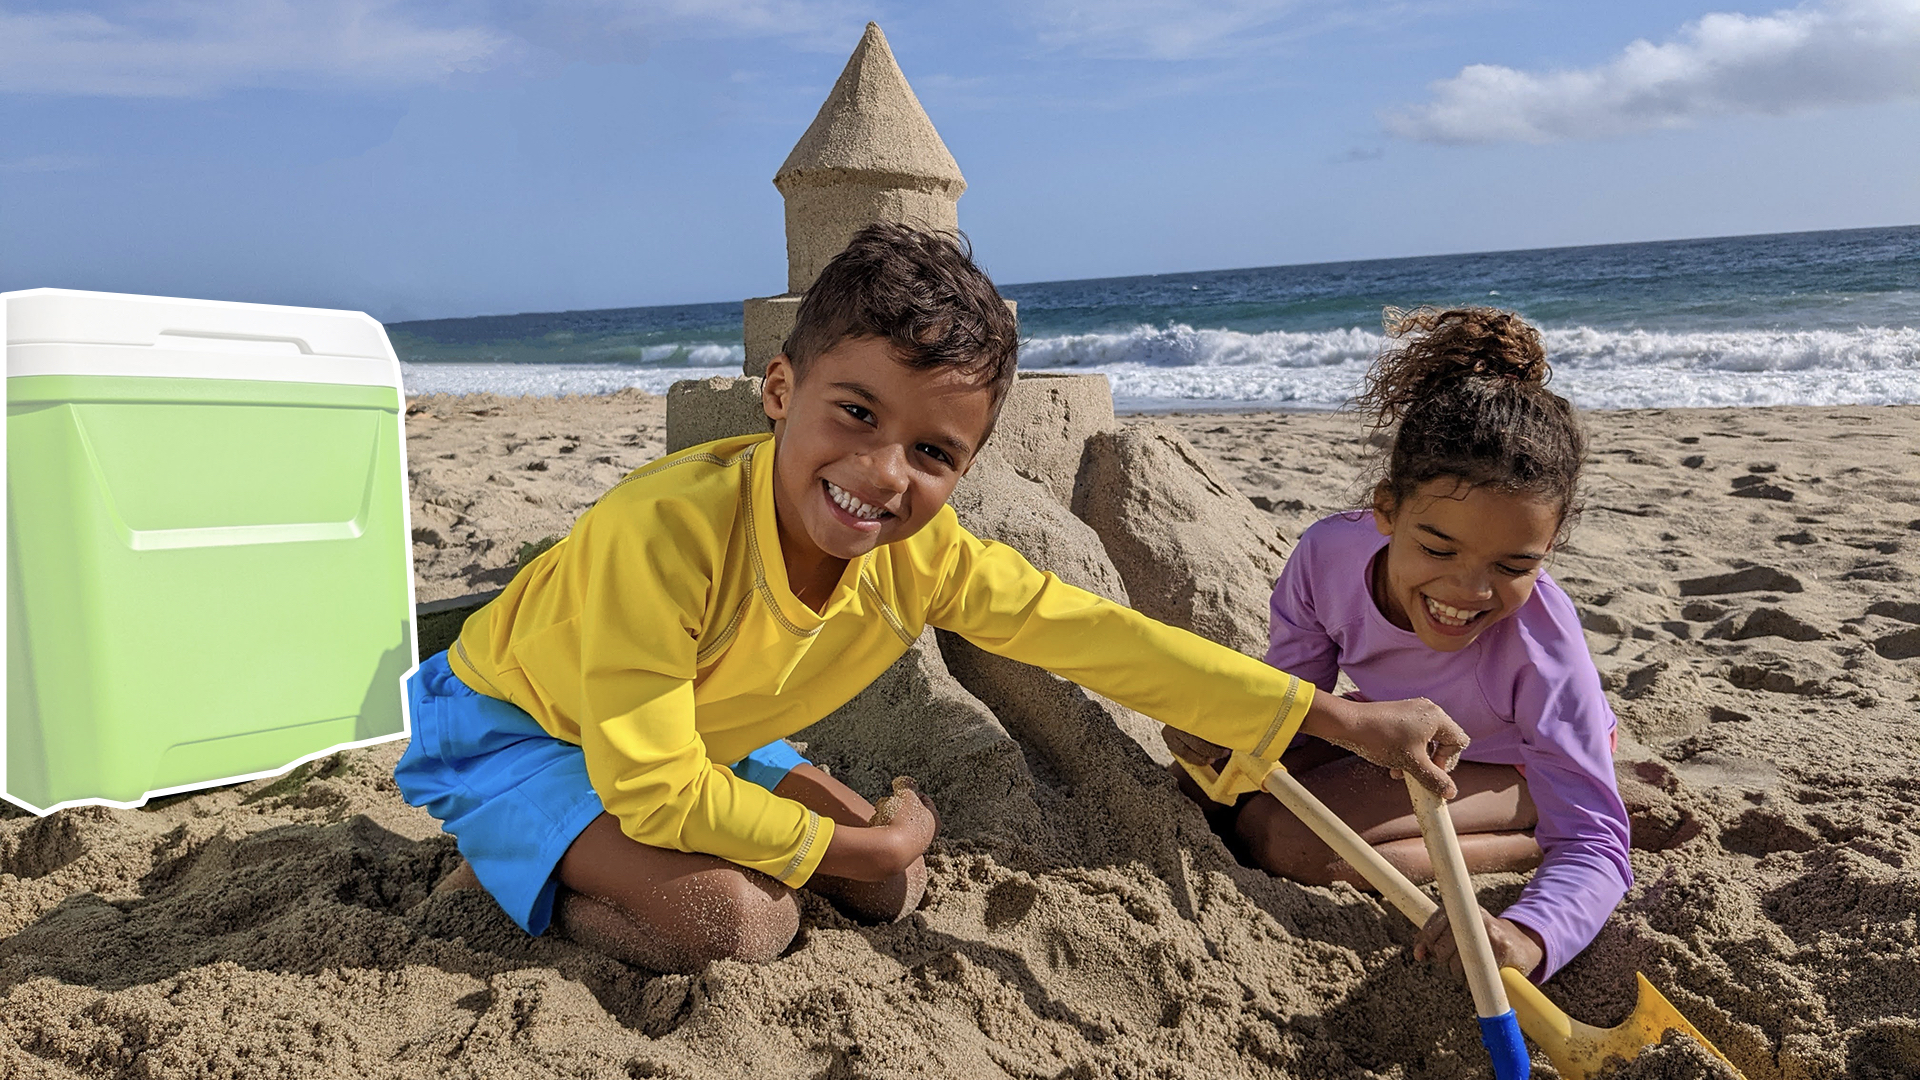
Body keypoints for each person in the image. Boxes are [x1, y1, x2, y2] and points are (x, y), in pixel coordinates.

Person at [396, 224, 1470, 973]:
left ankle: (643, 847)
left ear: (967, 467)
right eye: (854, 413)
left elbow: (1104, 640)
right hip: (522, 729)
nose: (882, 471)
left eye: (932, 451)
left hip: (689, 741)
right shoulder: (666, 536)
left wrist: (1341, 720)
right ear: (781, 393)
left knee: (887, 894)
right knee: (734, 922)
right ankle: (505, 868)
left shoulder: (927, 555)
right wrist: (848, 845)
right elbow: (653, 787)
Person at [1167, 306, 1631, 984]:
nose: (1468, 591)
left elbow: (1593, 841)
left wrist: (1529, 934)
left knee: (1287, 842)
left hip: (1521, 764)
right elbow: (1294, 698)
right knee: (1200, 788)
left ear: (1548, 549)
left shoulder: (1541, 644)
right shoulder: (1328, 557)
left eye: (1513, 566)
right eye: (1437, 547)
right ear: (1388, 509)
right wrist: (1228, 729)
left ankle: (1530, 833)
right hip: (1399, 732)